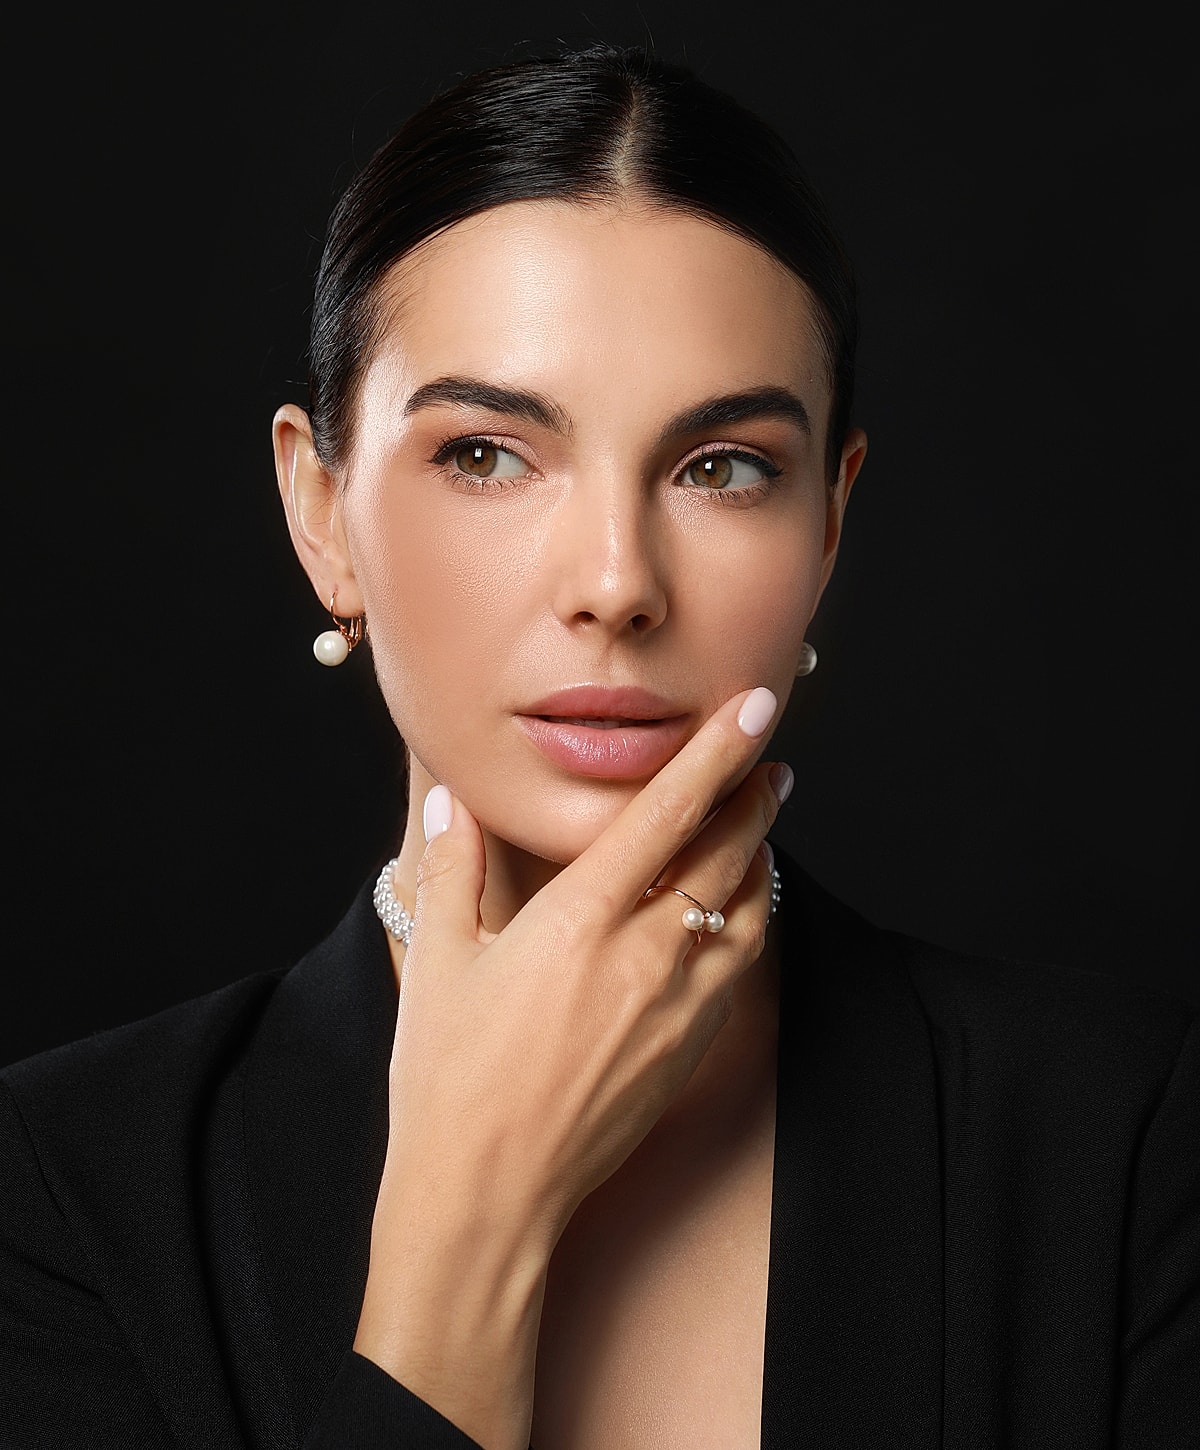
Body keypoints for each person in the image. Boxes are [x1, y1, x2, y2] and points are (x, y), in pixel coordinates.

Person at [1, 43, 1196, 1450]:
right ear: (320, 509)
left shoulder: (1123, 1142)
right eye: (488, 454)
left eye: (723, 466)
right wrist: (474, 1222)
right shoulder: (62, 1190)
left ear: (829, 521)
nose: (617, 581)